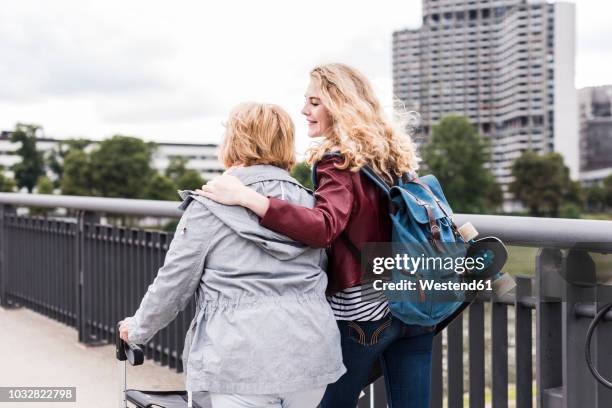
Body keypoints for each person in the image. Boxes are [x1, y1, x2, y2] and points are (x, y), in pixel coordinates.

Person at [196, 63, 435, 407]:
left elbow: (324, 227)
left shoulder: (338, 160)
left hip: (364, 314)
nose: (304, 110)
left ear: (340, 106)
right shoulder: (393, 155)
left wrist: (249, 198)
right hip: (415, 302)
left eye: (314, 102)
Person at [119, 102, 345, 408]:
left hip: (240, 358)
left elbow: (174, 282)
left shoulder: (210, 204)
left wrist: (138, 328)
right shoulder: (311, 205)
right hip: (310, 357)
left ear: (234, 141)